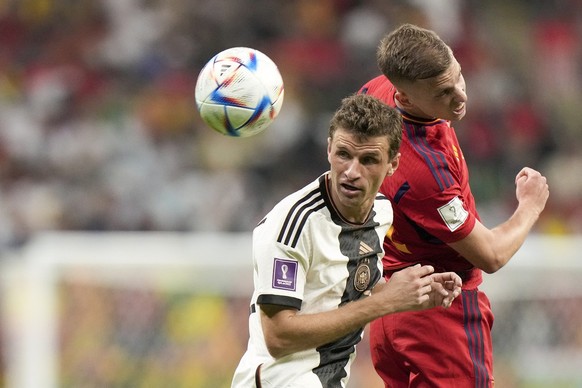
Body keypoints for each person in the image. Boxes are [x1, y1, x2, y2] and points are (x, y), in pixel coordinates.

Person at [358, 24, 550, 387]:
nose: (460, 95)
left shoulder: (376, 92)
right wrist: (530, 205)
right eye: (443, 92)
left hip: (393, 304)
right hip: (441, 309)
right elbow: (490, 256)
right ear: (408, 98)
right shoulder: (426, 174)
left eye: (458, 76)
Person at [231, 93, 463, 388]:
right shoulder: (292, 225)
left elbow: (354, 287)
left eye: (368, 160)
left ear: (392, 164)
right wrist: (387, 302)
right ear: (329, 149)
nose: (352, 172)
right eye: (344, 154)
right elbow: (278, 336)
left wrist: (416, 291)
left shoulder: (381, 211)